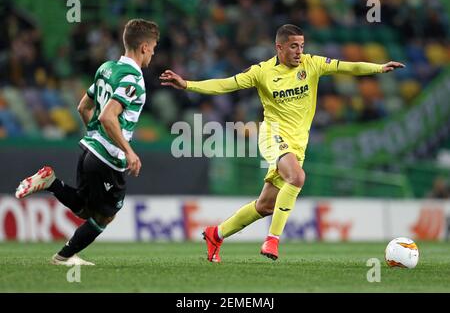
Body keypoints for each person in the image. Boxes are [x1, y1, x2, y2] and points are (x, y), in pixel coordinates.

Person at [160, 24, 404, 262]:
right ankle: (272, 240)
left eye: (301, 46)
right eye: (293, 46)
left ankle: (216, 234)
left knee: (265, 206)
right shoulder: (262, 72)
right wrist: (187, 84)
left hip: (298, 145)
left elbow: (347, 67)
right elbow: (226, 84)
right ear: (279, 47)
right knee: (297, 178)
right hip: (272, 135)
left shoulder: (312, 64)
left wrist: (379, 68)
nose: (299, 51)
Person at [15, 19, 160, 266]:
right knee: (105, 216)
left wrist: (95, 138)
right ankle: (63, 257)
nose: (154, 52)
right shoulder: (133, 79)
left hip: (89, 150)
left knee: (84, 209)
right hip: (108, 158)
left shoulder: (107, 69)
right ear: (145, 46)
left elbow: (83, 107)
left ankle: (50, 182)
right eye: (154, 47)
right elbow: (107, 116)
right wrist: (129, 152)